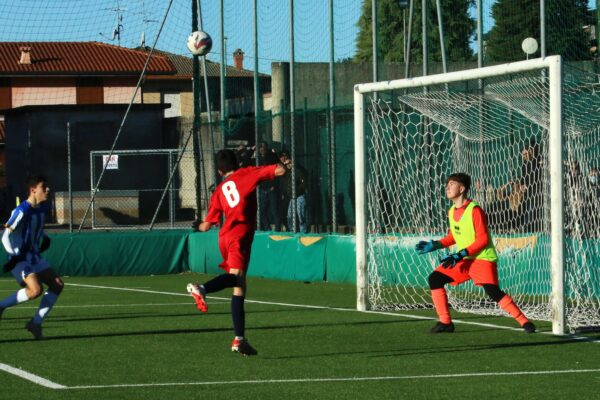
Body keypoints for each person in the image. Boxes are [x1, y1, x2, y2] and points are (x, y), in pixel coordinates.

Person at [188, 149, 286, 356]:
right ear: (237, 164)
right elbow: (279, 171)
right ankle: (202, 288)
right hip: (239, 235)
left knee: (239, 285)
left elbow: (206, 226)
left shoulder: (220, 189)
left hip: (224, 237)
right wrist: (281, 163)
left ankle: (239, 339)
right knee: (236, 277)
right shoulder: (247, 173)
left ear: (220, 172)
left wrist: (196, 224)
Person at [415, 173, 535, 334]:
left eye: (451, 184)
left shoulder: (475, 210)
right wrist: (436, 244)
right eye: (447, 185)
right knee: (435, 279)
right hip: (464, 258)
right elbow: (453, 236)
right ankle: (445, 322)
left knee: (492, 291)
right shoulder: (452, 211)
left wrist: (460, 254)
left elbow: (483, 240)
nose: (447, 187)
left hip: (481, 258)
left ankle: (524, 321)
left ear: (462, 188)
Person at [0, 175, 64, 340]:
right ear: (33, 190)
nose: (48, 190)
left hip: (34, 256)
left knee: (57, 284)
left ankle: (35, 323)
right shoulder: (21, 210)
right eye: (44, 187)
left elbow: (37, 228)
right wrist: (13, 256)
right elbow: (5, 236)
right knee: (36, 290)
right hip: (20, 258)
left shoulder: (41, 209)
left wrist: (45, 237)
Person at [279, 151, 308, 233]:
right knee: (289, 216)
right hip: (292, 197)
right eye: (287, 164)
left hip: (299, 196)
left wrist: (297, 190)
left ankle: (303, 232)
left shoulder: (298, 171)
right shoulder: (288, 173)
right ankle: (292, 231)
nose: (288, 165)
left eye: (290, 163)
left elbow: (304, 183)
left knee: (300, 215)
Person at [257, 142, 281, 231]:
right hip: (262, 188)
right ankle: (267, 229)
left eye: (263, 146)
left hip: (271, 188)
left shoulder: (272, 157)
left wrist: (274, 185)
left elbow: (278, 170)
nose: (262, 148)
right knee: (262, 211)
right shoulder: (258, 159)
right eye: (260, 147)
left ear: (267, 147)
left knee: (274, 210)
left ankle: (278, 230)